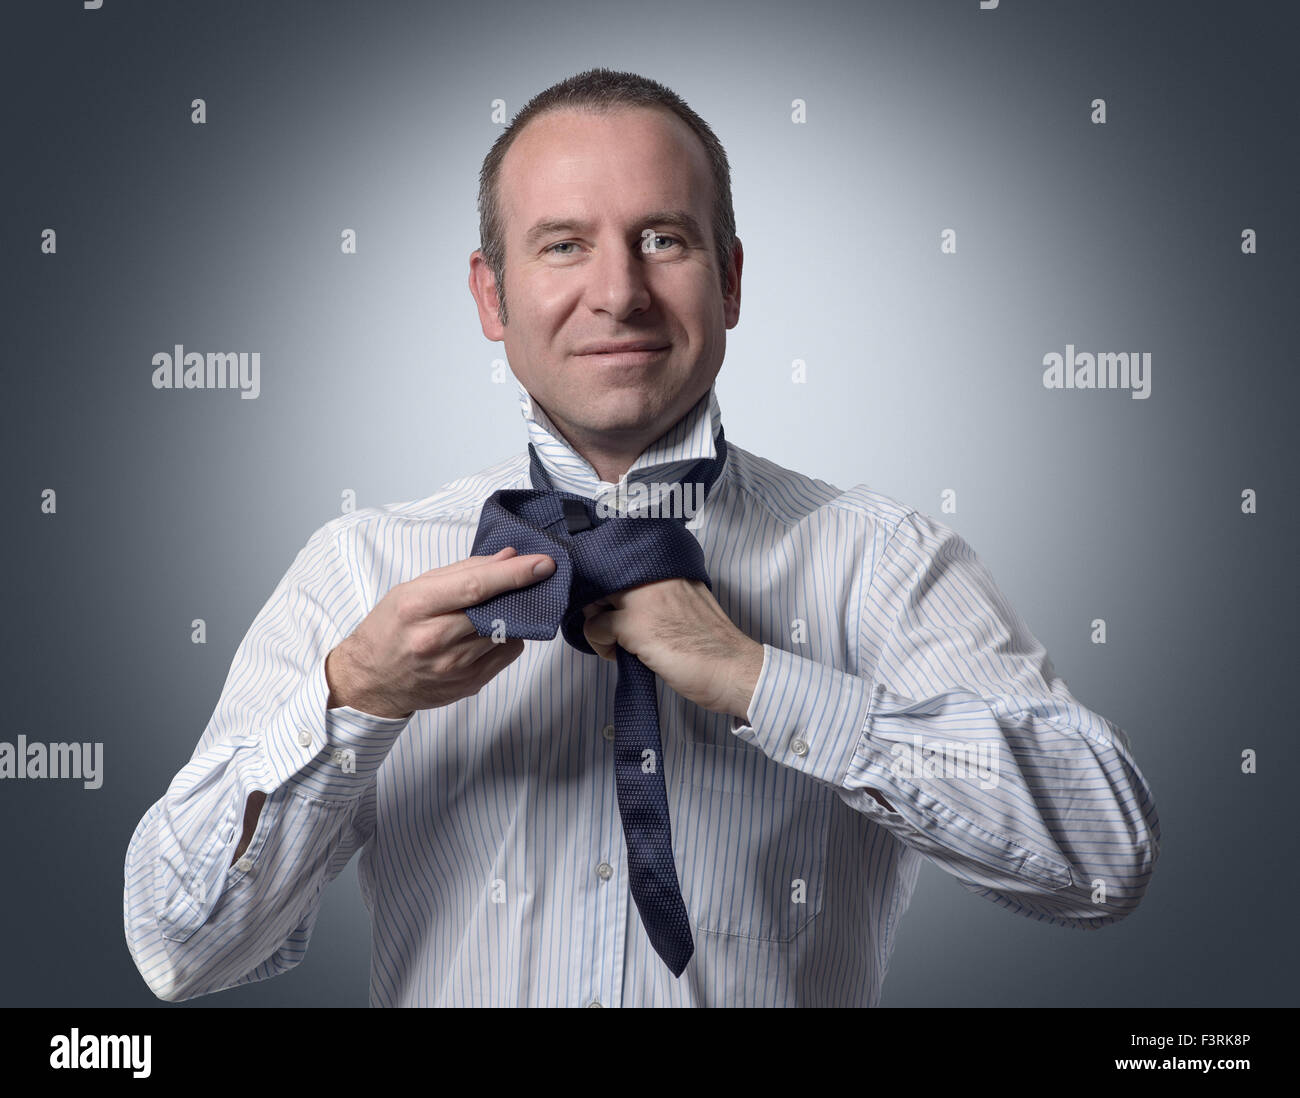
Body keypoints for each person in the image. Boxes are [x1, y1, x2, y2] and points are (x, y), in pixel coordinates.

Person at [123, 68, 1161, 1007]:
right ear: (492, 295)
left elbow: (1106, 854)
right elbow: (178, 949)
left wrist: (763, 679)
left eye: (661, 238)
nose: (617, 292)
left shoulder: (881, 562)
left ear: (732, 281)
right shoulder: (361, 568)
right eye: (562, 244)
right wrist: (353, 700)